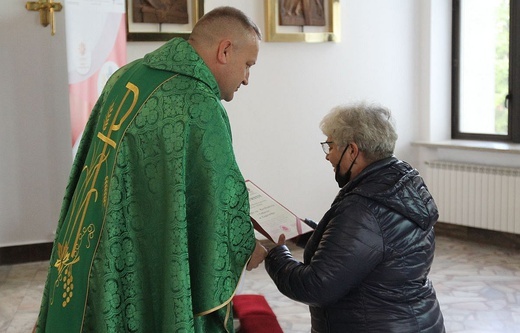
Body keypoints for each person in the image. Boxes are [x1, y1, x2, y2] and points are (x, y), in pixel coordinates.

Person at [34, 6, 267, 333]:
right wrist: (247, 245)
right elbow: (219, 199)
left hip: (90, 246)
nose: (246, 78)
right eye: (248, 65)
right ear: (225, 50)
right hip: (138, 260)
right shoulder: (197, 104)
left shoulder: (126, 75)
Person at [265, 102, 445, 332]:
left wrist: (274, 254)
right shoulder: (401, 185)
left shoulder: (363, 207)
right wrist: (303, 232)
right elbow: (361, 249)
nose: (328, 157)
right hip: (418, 321)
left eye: (330, 146)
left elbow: (315, 287)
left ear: (352, 150)